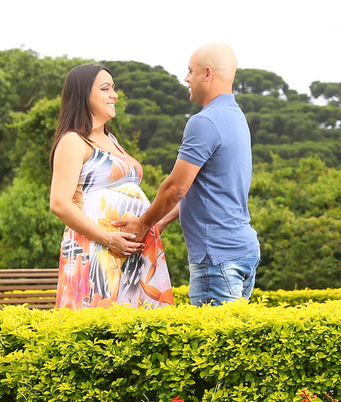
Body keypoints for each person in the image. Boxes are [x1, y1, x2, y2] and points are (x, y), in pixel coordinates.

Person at [112, 43, 259, 306]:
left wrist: (143, 223)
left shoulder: (204, 122)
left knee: (212, 345)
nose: (186, 78)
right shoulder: (236, 117)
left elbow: (176, 188)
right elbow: (206, 188)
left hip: (216, 259)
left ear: (207, 74)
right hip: (243, 249)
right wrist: (160, 221)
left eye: (190, 71)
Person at [48, 63, 175, 309]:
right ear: (83, 95)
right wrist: (108, 239)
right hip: (98, 250)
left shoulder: (112, 140)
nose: (114, 95)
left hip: (131, 250)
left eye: (113, 88)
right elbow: (60, 203)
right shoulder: (73, 141)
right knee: (101, 329)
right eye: (106, 89)